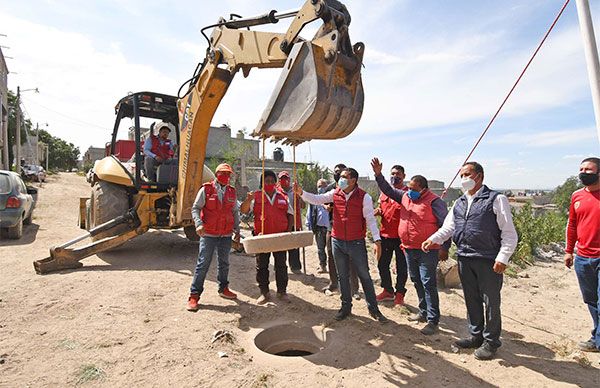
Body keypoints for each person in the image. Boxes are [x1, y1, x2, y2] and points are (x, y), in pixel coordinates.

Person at [422, 161, 517, 360]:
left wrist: (503, 257)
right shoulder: (459, 202)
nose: (463, 179)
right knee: (471, 299)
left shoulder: (495, 199)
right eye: (461, 175)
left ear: (480, 176)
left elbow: (509, 233)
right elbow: (449, 227)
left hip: (488, 259)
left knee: (491, 301)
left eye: (467, 175)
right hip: (465, 256)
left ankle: (491, 342)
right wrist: (434, 239)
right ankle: (476, 336)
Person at [295, 168, 388, 323]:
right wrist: (301, 193)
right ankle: (346, 307)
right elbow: (317, 199)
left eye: (344, 177)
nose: (340, 179)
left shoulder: (364, 197)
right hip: (337, 241)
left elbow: (371, 220)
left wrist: (377, 240)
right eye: (341, 177)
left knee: (364, 275)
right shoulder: (335, 193)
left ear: (353, 180)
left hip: (356, 242)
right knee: (342, 276)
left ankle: (374, 309)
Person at [371, 158, 449, 335]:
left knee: (428, 283)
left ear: (423, 189)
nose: (410, 192)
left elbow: (446, 226)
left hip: (428, 250)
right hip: (408, 248)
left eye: (414, 189)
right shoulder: (405, 197)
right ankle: (423, 312)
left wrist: (445, 247)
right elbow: (388, 190)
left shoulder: (434, 201)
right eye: (410, 188)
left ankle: (433, 319)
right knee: (416, 280)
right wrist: (378, 175)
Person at [187, 163, 240, 311]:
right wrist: (198, 224)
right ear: (216, 174)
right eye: (223, 173)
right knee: (203, 264)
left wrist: (237, 229)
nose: (226, 177)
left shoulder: (231, 192)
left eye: (228, 174)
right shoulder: (206, 189)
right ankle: (194, 296)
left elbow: (235, 211)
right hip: (209, 233)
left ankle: (223, 289)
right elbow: (195, 208)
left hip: (226, 234)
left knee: (224, 263)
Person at [240, 170, 294, 304]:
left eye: (271, 181)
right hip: (262, 237)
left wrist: (287, 232)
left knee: (281, 265)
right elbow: (244, 210)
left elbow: (290, 214)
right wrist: (248, 199)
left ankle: (282, 292)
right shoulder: (256, 196)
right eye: (266, 181)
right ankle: (264, 293)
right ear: (262, 183)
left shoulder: (283, 196)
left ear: (275, 183)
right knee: (262, 266)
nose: (269, 183)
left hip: (279, 237)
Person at [564, 157, 600, 353]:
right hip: (583, 257)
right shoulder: (577, 196)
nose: (584, 173)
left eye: (589, 169)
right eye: (581, 169)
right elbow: (573, 225)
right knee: (591, 300)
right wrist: (569, 250)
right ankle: (597, 336)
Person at [322, 163, 360, 298]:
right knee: (331, 255)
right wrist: (326, 206)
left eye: (341, 172)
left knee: (351, 259)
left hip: (349, 228)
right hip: (332, 226)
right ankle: (333, 283)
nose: (338, 175)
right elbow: (322, 200)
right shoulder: (330, 188)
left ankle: (354, 288)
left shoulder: (353, 188)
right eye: (336, 172)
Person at [374, 164, 409, 306]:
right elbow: (381, 208)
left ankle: (399, 293)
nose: (395, 176)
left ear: (404, 176)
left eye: (398, 174)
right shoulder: (384, 192)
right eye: (393, 173)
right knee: (382, 264)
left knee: (401, 267)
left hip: (401, 237)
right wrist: (375, 211)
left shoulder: (407, 194)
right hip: (385, 234)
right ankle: (387, 290)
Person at [278, 171, 305, 274]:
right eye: (282, 178)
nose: (284, 180)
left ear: (289, 179)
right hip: (281, 222)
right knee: (281, 246)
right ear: (279, 180)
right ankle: (280, 267)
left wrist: (299, 197)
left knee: (294, 245)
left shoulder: (295, 191)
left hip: (295, 222)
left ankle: (295, 267)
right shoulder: (277, 191)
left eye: (286, 178)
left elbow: (303, 206)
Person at [306, 179, 331, 273]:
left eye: (323, 186)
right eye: (319, 186)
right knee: (321, 249)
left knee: (331, 250)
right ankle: (323, 266)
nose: (321, 188)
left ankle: (333, 268)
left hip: (330, 229)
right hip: (319, 228)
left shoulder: (330, 198)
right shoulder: (314, 199)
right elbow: (309, 214)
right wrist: (309, 226)